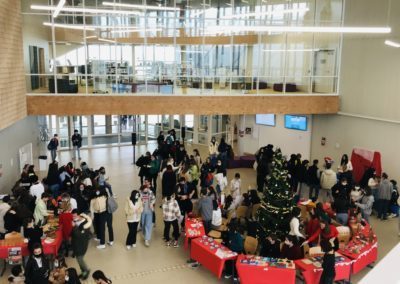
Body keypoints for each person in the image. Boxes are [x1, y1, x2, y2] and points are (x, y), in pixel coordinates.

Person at [71, 209, 92, 280]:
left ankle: (86, 270)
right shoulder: (76, 221)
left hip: (81, 245)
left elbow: (79, 235)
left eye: (75, 216)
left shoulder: (85, 224)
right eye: (72, 216)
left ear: (79, 215)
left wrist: (74, 227)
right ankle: (83, 272)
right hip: (76, 244)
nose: (73, 218)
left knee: (80, 259)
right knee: (78, 259)